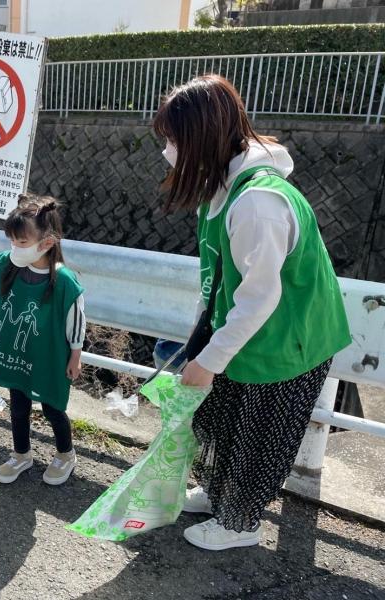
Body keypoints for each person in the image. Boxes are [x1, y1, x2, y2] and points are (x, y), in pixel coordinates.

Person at [152, 75, 351, 551]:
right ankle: (220, 496)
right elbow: (217, 278)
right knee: (224, 420)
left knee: (257, 434)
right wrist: (202, 344)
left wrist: (208, 360)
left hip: (288, 341)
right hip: (248, 331)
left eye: (175, 140)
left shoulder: (258, 203)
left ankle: (240, 523)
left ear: (201, 137)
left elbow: (259, 298)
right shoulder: (223, 188)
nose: (170, 151)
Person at [0, 195, 87, 486]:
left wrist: (76, 354)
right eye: (12, 241)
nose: (14, 248)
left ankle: (66, 454)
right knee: (18, 405)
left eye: (21, 242)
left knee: (52, 407)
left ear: (47, 242)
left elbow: (77, 318)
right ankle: (21, 454)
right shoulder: (10, 265)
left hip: (49, 356)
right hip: (19, 352)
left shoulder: (64, 280)